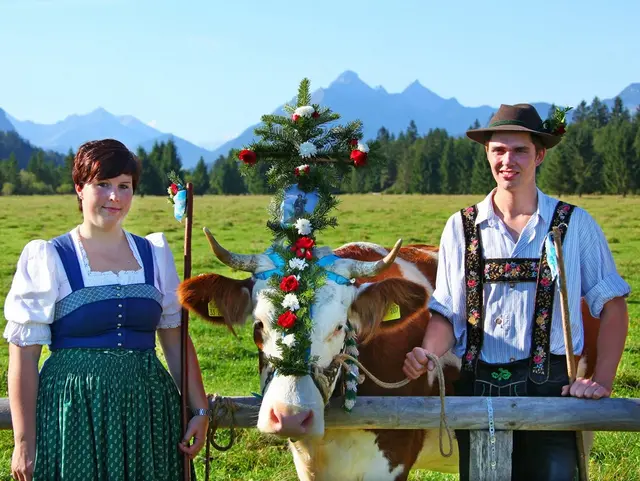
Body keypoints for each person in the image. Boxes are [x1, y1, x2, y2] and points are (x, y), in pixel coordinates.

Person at [402, 104, 631, 480]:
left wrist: (602, 381)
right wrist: (428, 353)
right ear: (487, 154)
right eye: (499, 150)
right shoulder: (460, 227)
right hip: (476, 393)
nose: (509, 160)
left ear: (539, 155)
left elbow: (614, 305)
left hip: (554, 393)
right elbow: (447, 314)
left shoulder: (573, 224)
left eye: (520, 150)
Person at [5, 139, 210, 481]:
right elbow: (23, 357)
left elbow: (175, 342)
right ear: (79, 189)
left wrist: (200, 409)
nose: (114, 197)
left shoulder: (154, 254)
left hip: (148, 414)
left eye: (124, 187)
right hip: (74, 413)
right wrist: (24, 442)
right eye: (102, 184)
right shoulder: (50, 257)